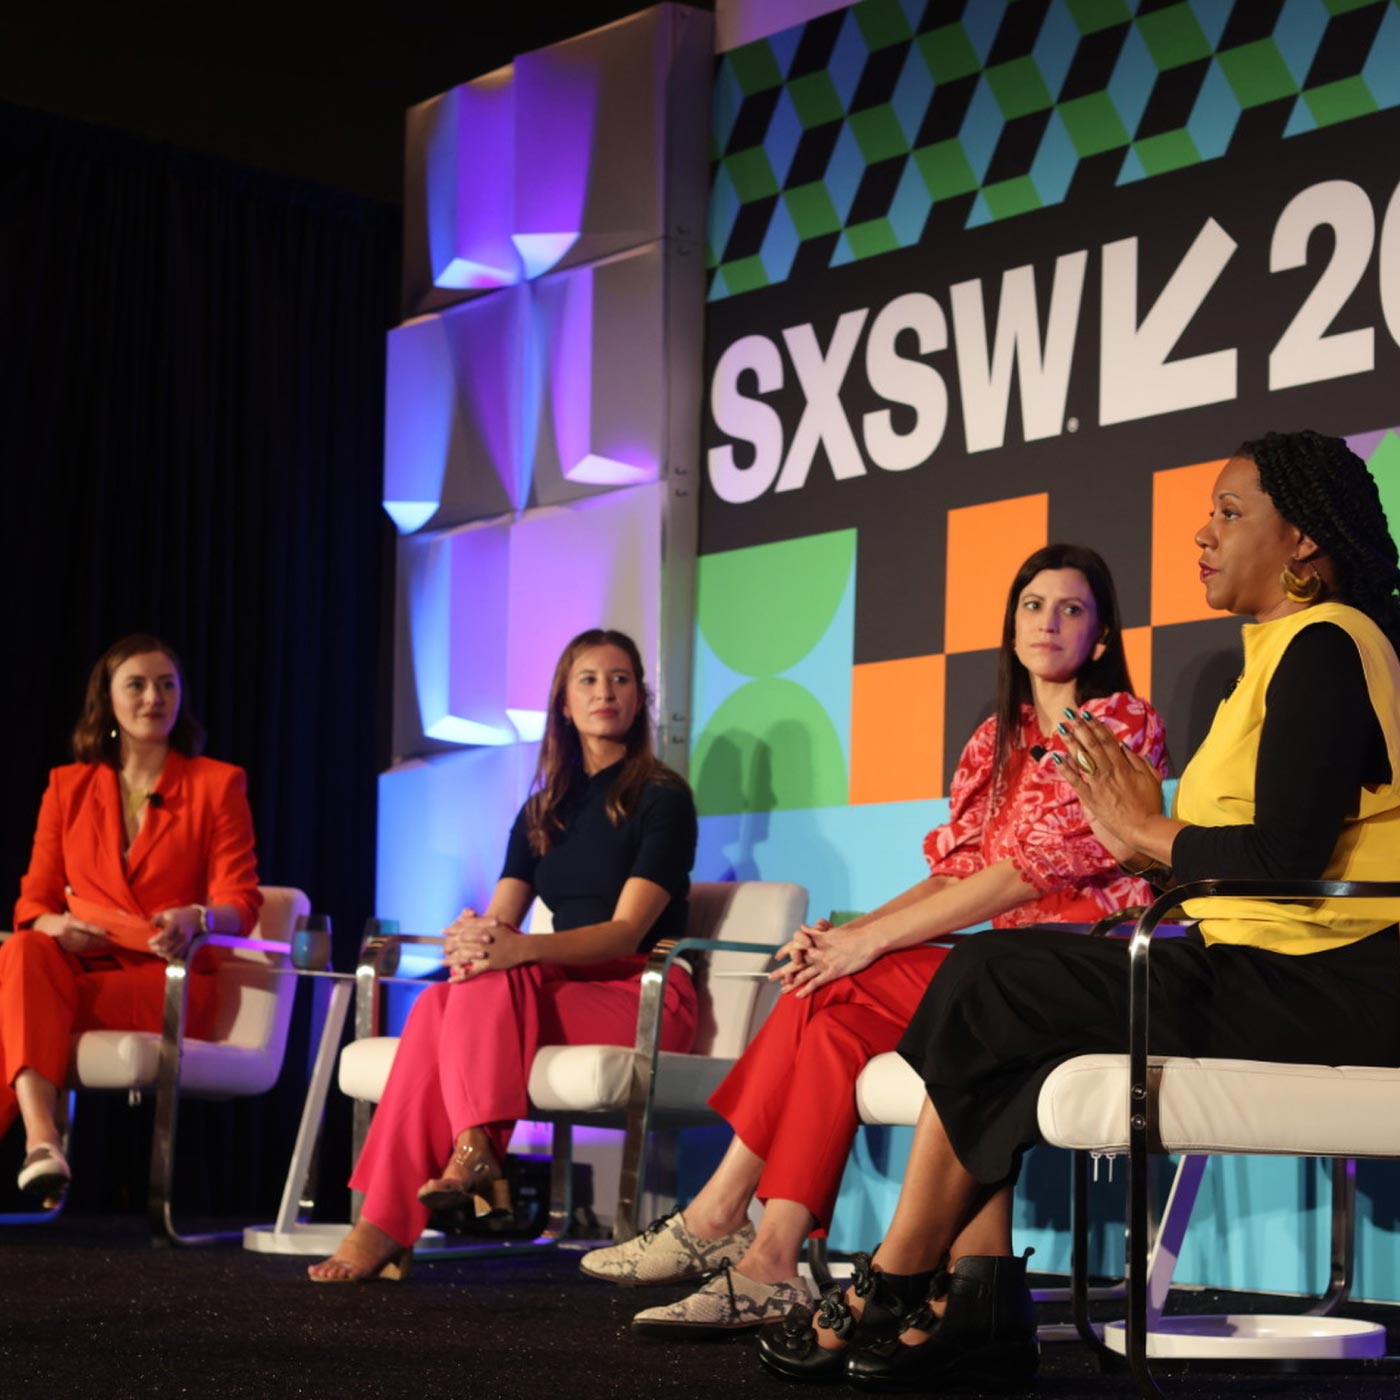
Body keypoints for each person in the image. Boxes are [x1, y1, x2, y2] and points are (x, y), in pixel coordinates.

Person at [757, 428, 1400, 1392]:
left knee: (995, 976)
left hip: (1326, 981)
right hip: (1265, 959)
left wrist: (1145, 832)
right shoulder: (1280, 651)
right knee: (1001, 985)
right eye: (1207, 514)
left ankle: (900, 1283)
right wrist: (1149, 832)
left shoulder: (1326, 646)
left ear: (1303, 540)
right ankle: (969, 1299)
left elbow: (1285, 859)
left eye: (1231, 514)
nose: (1203, 534)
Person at [581, 545, 1167, 1337]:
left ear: (1100, 638)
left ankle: (719, 1216)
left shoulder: (1120, 722)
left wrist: (864, 948)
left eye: (1071, 609)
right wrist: (850, 935)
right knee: (830, 1016)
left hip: (1078, 969)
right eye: (1033, 604)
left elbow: (1023, 876)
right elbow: (953, 874)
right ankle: (770, 1265)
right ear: (1011, 623)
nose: (1048, 622)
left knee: (839, 980)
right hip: (1001, 974)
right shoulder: (993, 739)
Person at [309, 628, 699, 1282]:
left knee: (479, 983)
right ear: (564, 706)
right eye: (589, 679)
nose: (606, 691)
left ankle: (395, 1213)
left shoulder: (662, 798)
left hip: (644, 991)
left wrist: (514, 950)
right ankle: (461, 1163)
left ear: (639, 701)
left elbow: (627, 932)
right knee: (442, 996)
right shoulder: (541, 810)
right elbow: (501, 921)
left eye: (622, 679)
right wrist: (475, 937)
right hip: (551, 987)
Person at [5, 634, 262, 1203]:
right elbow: (32, 904)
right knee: (23, 952)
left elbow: (241, 902)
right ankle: (43, 1139)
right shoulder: (66, 787)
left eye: (167, 685)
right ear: (109, 699)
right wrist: (53, 927)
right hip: (83, 965)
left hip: (170, 980)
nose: (154, 698)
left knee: (13, 1004)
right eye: (138, 685)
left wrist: (197, 916)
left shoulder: (217, 785)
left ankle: (41, 1144)